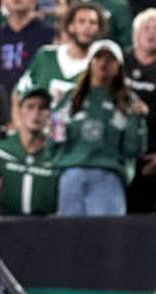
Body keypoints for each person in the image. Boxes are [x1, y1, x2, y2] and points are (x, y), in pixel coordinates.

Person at [54, 39, 149, 216]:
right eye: (98, 57)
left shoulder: (128, 101)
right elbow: (55, 137)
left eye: (110, 59)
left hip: (108, 175)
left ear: (119, 66)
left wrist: (138, 119)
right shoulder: (71, 98)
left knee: (106, 237)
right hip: (71, 174)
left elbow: (133, 149)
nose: (104, 63)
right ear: (90, 62)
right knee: (68, 238)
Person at [0, 87, 60, 218]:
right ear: (19, 111)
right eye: (30, 107)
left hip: (47, 226)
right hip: (9, 225)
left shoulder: (58, 153)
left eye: (42, 108)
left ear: (48, 114)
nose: (36, 113)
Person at [15, 2, 106, 112]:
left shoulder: (102, 65)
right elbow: (18, 93)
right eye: (81, 22)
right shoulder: (46, 56)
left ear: (99, 28)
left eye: (93, 22)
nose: (87, 27)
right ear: (70, 26)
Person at [0, 0, 57, 120]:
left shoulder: (49, 33)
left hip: (38, 108)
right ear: (3, 0)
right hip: (3, 110)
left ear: (33, 0)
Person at [126, 8, 156, 212]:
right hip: (119, 157)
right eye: (147, 27)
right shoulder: (116, 61)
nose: (151, 33)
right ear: (135, 32)